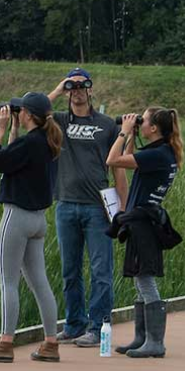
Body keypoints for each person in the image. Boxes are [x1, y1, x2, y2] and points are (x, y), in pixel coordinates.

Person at [0, 92, 64, 363]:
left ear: (27, 114)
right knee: (40, 282)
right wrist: (14, 130)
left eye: (19, 111)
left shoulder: (29, 143)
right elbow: (15, 162)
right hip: (38, 220)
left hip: (17, 216)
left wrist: (0, 130)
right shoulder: (48, 142)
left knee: (8, 282)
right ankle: (51, 343)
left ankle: (5, 343)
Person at [46, 68, 129, 348]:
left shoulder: (106, 125)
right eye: (73, 86)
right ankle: (73, 324)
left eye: (83, 86)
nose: (78, 90)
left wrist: (123, 211)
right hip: (66, 204)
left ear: (91, 90)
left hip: (97, 207)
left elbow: (118, 169)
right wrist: (58, 89)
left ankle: (98, 327)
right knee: (70, 270)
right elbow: (30, 114)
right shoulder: (58, 121)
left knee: (100, 270)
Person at [106, 107, 183, 359]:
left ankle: (155, 342)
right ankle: (142, 338)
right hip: (144, 220)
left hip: (144, 223)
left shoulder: (158, 155)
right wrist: (132, 135)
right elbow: (130, 161)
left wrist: (123, 132)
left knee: (145, 279)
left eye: (143, 120)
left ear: (153, 129)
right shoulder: (161, 152)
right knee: (140, 278)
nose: (139, 121)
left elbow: (113, 161)